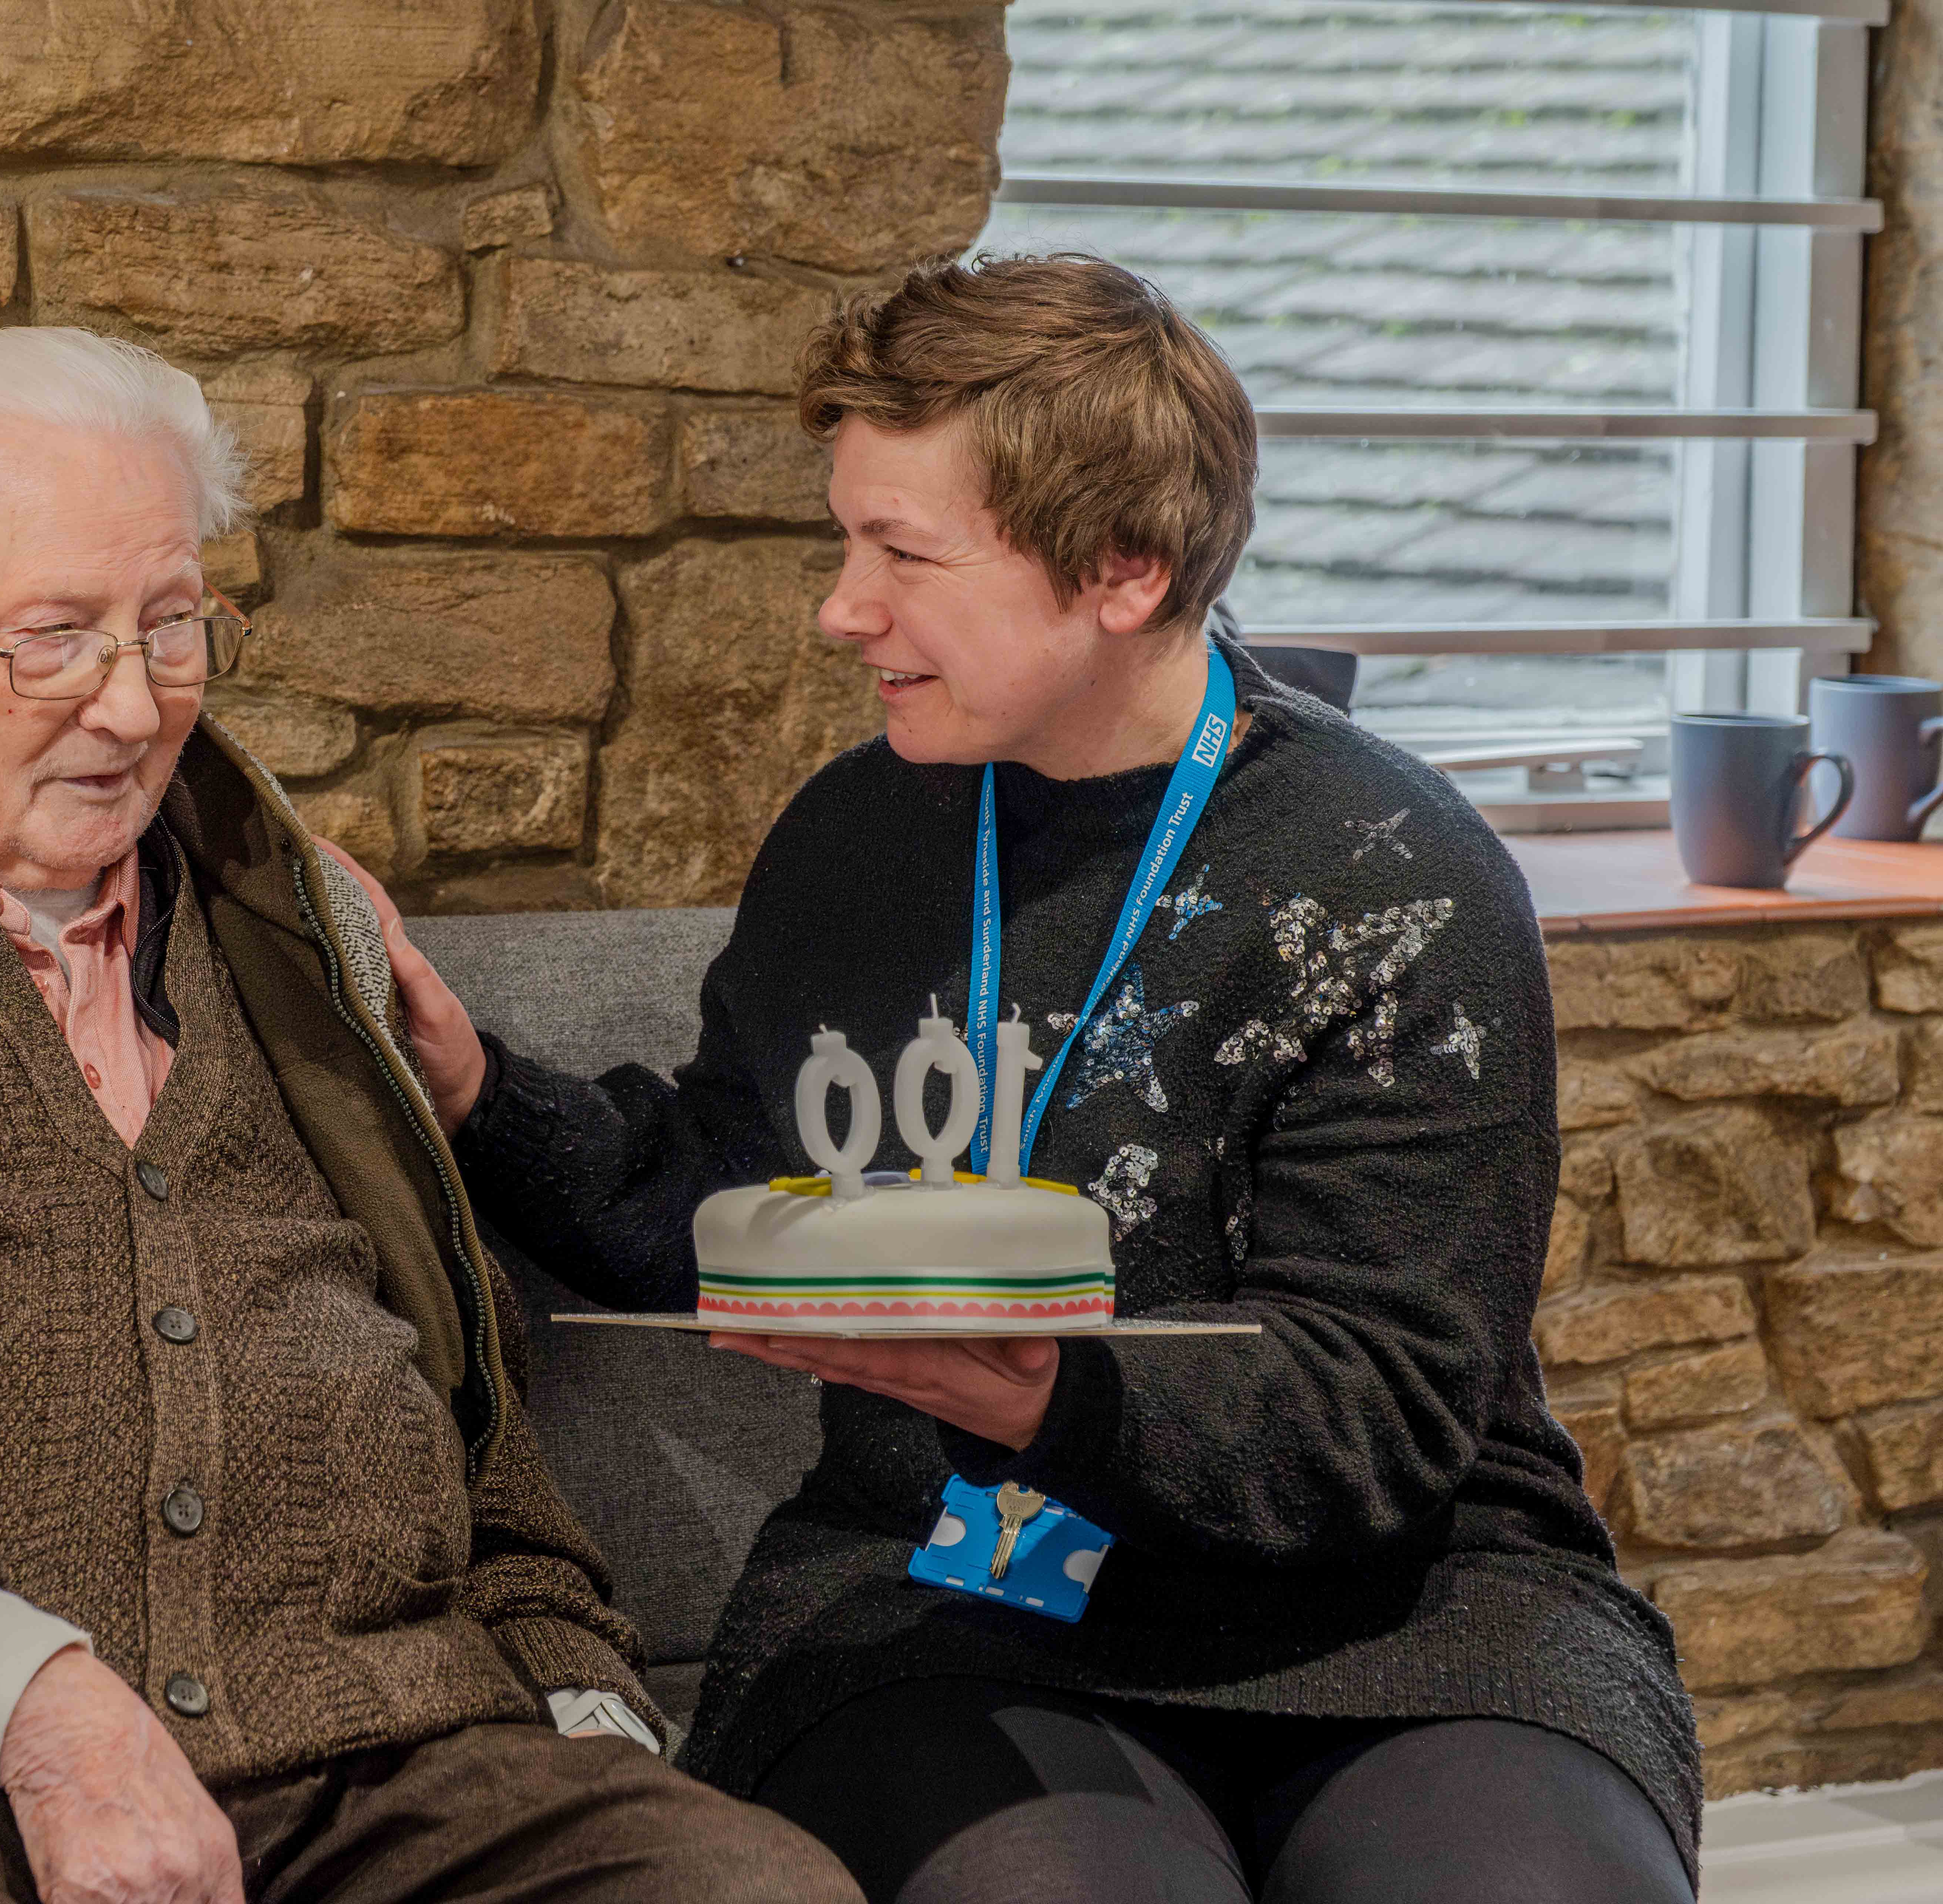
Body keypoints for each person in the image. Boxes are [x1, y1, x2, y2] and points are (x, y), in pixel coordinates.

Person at [337, 255, 1702, 1903]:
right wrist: (479, 1088)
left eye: (904, 554)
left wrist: (1050, 1390)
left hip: (1410, 1615)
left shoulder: (1395, 876)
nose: (844, 608)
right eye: (850, 540)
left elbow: (1382, 1411)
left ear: (1123, 569)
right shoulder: (859, 837)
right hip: (952, 1601)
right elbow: (736, 1200)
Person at [0, 327, 863, 1904]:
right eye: (53, 637)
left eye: (174, 628)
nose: (131, 710)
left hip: (370, 1743)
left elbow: (466, 1394)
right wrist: (37, 1698)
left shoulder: (294, 916)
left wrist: (586, 1706)